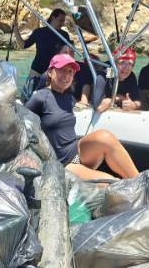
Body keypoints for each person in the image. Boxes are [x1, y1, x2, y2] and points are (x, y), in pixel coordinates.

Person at [25, 53, 139, 181]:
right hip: (62, 163)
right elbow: (21, 125)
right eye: (62, 70)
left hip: (76, 152)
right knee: (111, 182)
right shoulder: (40, 97)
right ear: (51, 72)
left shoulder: (69, 97)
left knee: (105, 137)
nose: (67, 75)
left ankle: (141, 181)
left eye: (70, 72)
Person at [13, 8, 71, 77]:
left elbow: (68, 54)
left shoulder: (64, 35)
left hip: (53, 71)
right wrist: (15, 29)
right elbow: (23, 45)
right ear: (53, 18)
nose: (62, 24)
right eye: (60, 20)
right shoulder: (39, 32)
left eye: (63, 21)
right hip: (36, 70)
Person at [97, 47, 141, 113]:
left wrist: (133, 105)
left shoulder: (131, 76)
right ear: (115, 64)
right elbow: (99, 108)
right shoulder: (105, 75)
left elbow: (138, 101)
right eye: (122, 62)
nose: (126, 67)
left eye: (130, 63)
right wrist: (119, 98)